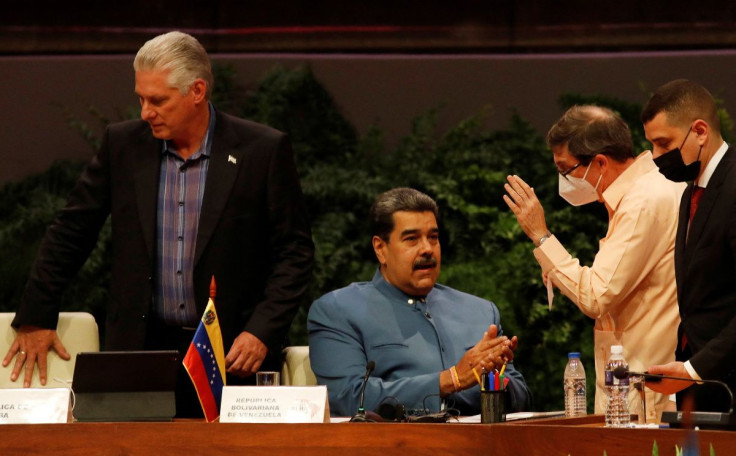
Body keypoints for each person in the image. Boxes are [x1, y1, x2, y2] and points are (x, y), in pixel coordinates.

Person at [2, 31, 314, 416]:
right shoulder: (123, 145)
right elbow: (71, 231)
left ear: (197, 91)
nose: (145, 112)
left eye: (158, 100)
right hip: (140, 352)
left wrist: (261, 331)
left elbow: (294, 253)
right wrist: (36, 316)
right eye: (141, 99)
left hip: (231, 355)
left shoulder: (261, 150)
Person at [503, 105, 684, 421]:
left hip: (644, 393)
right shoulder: (639, 195)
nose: (563, 180)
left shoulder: (644, 201)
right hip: (631, 386)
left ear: (599, 162)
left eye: (565, 169)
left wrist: (541, 236)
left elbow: (596, 297)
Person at [308, 187, 531, 417]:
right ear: (380, 249)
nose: (427, 249)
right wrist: (450, 380)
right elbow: (348, 397)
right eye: (412, 239)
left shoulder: (481, 311)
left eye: (433, 237)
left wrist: (495, 380)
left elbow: (521, 396)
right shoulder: (338, 310)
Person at [642, 79, 736, 412]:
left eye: (663, 143)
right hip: (700, 383)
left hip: (725, 383)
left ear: (700, 132)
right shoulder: (689, 194)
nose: (655, 156)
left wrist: (695, 369)